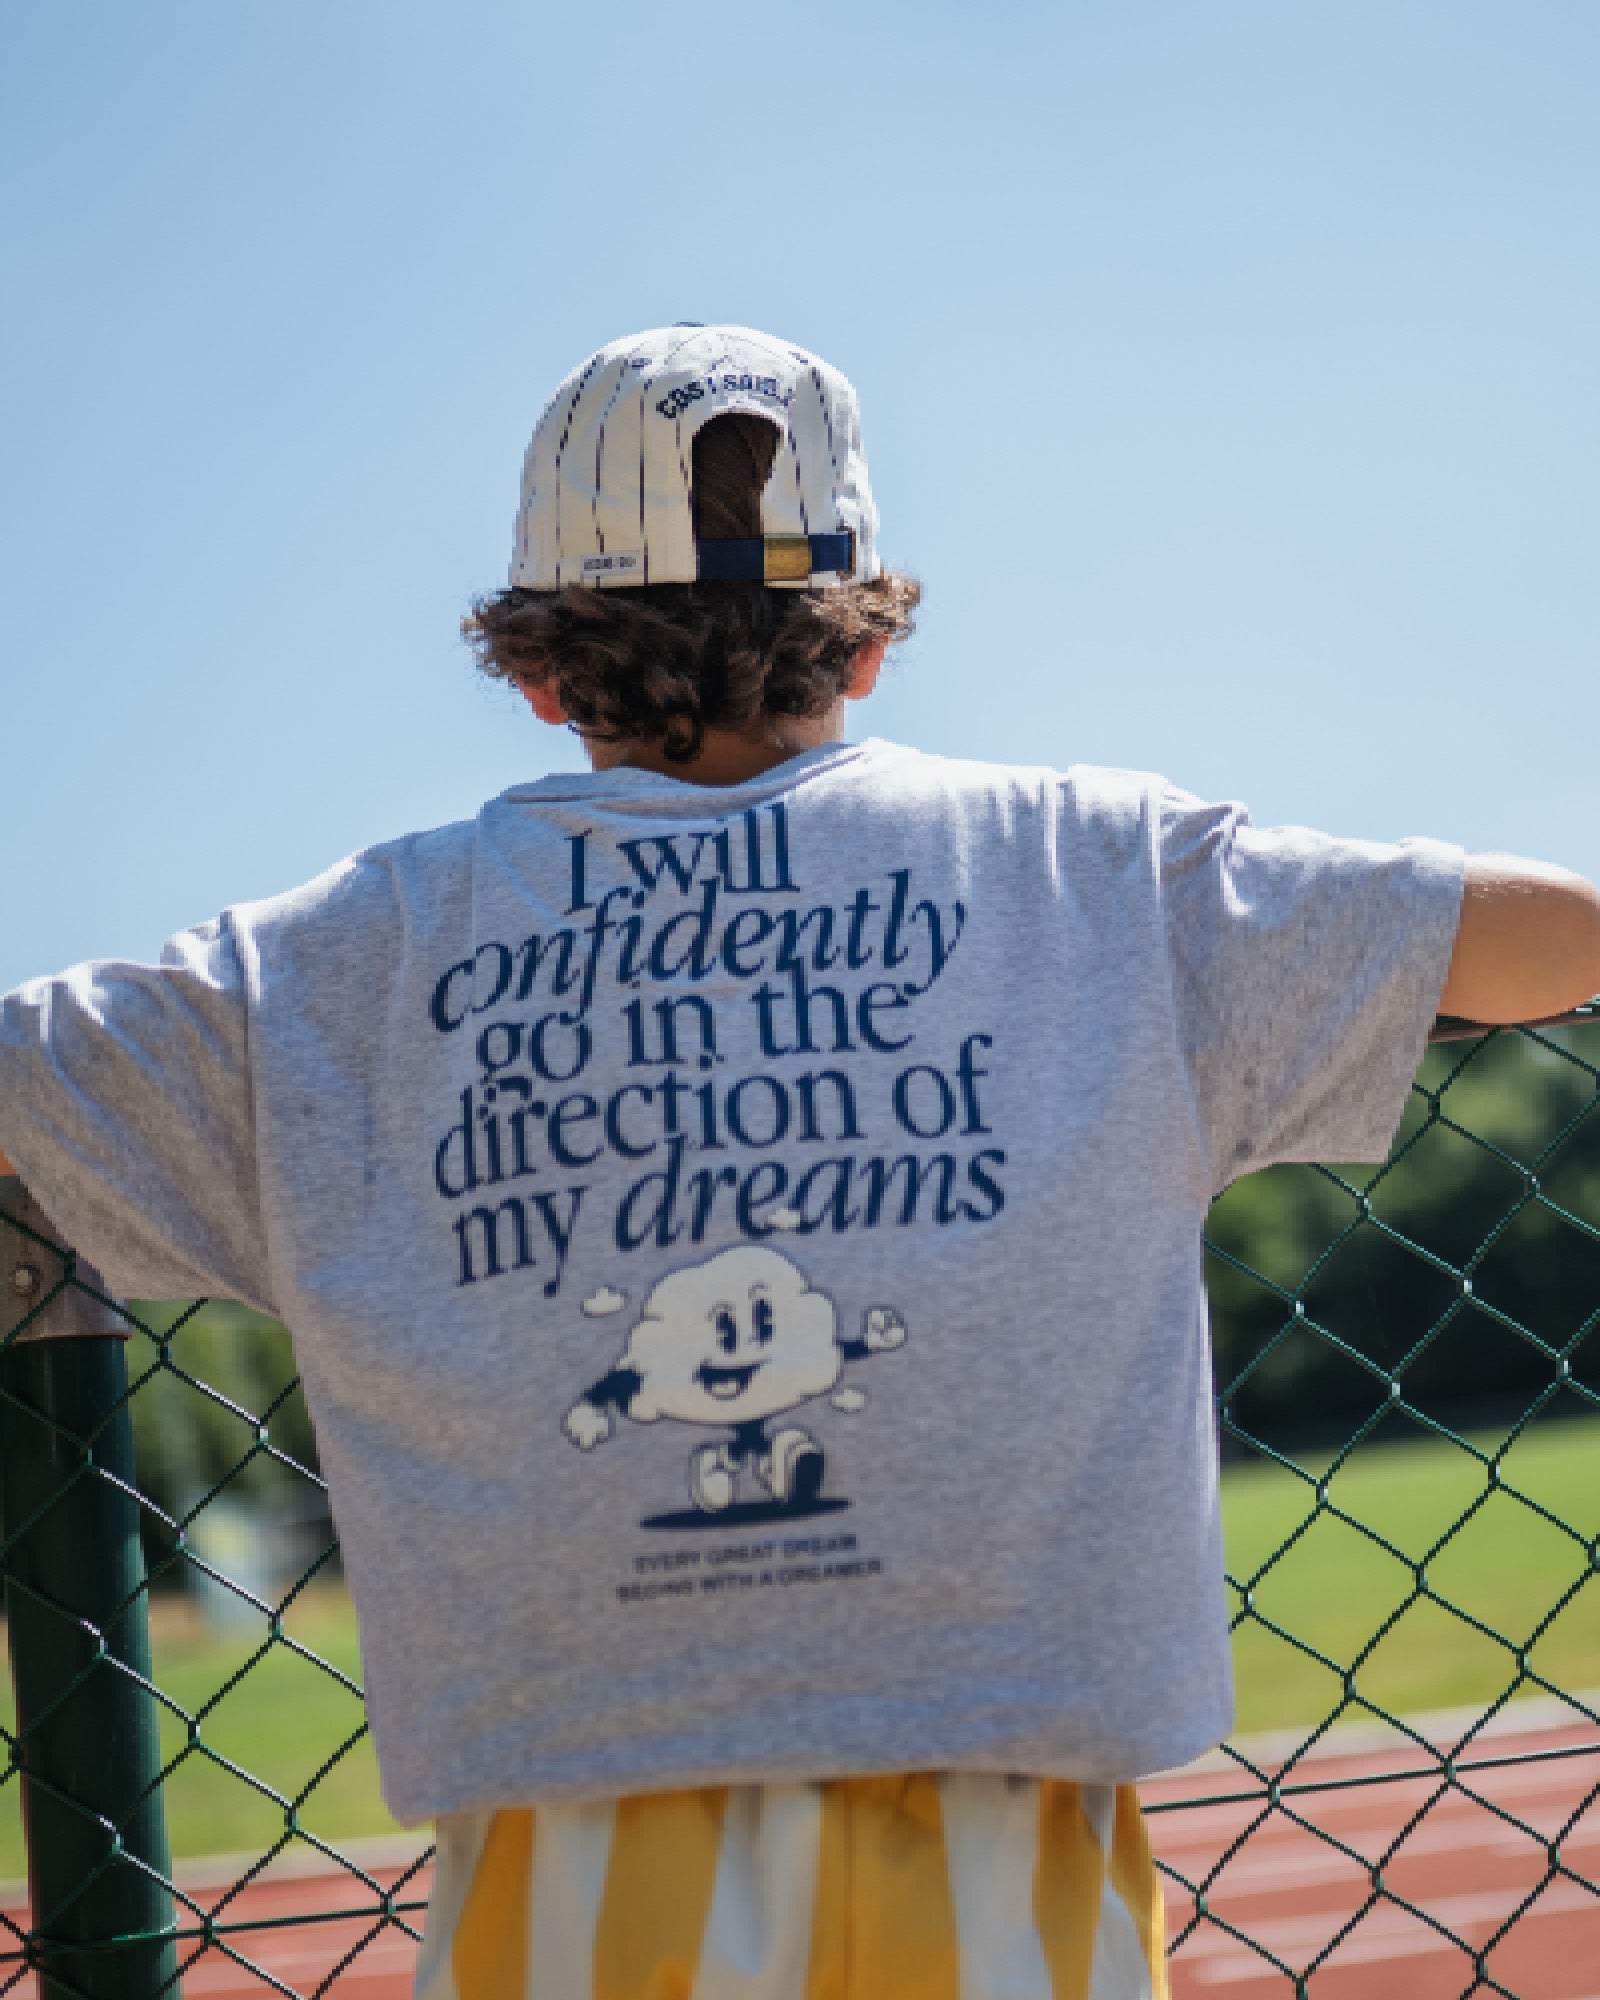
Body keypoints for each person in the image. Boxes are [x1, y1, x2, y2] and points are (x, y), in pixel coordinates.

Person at [1, 322, 1597, 2000]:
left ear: (541, 672)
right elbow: (1536, 941)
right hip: (1013, 1853)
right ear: (867, 645)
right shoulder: (1096, 873)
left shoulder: (329, 965)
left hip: (570, 1864)